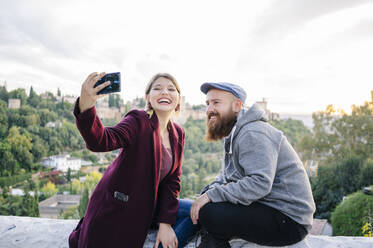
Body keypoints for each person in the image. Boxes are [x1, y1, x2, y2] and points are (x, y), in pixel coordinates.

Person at [69, 72, 198, 248]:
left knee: (198, 212)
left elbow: (172, 181)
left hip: (150, 206)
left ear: (178, 99)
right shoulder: (138, 121)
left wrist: (165, 223)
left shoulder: (178, 133)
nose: (165, 92)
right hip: (120, 209)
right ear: (148, 97)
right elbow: (101, 140)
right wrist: (86, 104)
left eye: (171, 89)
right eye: (157, 88)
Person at [190, 82, 316, 247]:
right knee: (204, 201)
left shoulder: (252, 132)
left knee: (208, 212)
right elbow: (229, 176)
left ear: (237, 105)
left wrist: (211, 197)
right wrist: (207, 193)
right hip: (267, 207)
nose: (209, 110)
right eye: (208, 104)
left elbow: (259, 183)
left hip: (289, 219)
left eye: (216, 103)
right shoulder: (235, 132)